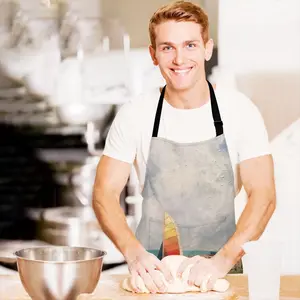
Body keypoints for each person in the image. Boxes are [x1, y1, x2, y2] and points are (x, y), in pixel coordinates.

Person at [92, 0, 276, 294]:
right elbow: (104, 193)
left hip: (223, 269)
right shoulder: (135, 113)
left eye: (190, 45)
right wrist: (134, 253)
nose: (179, 59)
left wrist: (221, 262)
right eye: (167, 47)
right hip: (153, 275)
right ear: (153, 54)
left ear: (207, 48)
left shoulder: (240, 110)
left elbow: (264, 197)